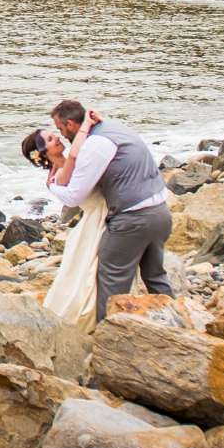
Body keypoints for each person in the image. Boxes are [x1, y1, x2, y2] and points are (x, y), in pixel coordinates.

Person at [43, 99, 173, 320]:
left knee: (111, 281)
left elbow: (76, 196)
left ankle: (110, 333)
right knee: (155, 275)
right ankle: (176, 322)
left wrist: (52, 185)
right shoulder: (113, 128)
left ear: (72, 124)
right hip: (160, 211)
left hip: (133, 219)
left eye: (61, 129)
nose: (62, 135)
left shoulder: (95, 145)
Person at [22, 124, 103, 330]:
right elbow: (75, 157)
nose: (57, 139)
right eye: (50, 140)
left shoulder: (59, 169)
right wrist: (86, 124)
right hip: (99, 215)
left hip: (98, 213)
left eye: (53, 135)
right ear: (42, 153)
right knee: (91, 271)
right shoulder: (58, 175)